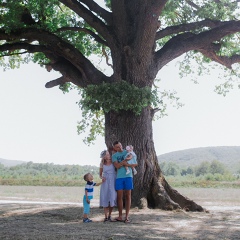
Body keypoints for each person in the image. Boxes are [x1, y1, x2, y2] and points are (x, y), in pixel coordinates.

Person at [112, 141, 138, 223]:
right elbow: (116, 166)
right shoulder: (114, 156)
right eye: (117, 147)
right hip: (119, 177)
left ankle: (127, 216)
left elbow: (135, 164)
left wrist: (125, 164)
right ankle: (120, 216)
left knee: (128, 196)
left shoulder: (128, 151)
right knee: (119, 197)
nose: (120, 148)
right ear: (114, 148)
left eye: (120, 145)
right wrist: (124, 161)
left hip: (128, 176)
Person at [99, 150, 117, 222]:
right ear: (104, 156)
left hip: (113, 180)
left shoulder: (113, 162)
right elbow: (100, 174)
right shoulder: (102, 163)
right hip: (105, 181)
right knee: (105, 197)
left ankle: (110, 215)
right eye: (106, 155)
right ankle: (106, 217)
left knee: (112, 197)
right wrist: (102, 178)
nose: (107, 156)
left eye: (108, 154)